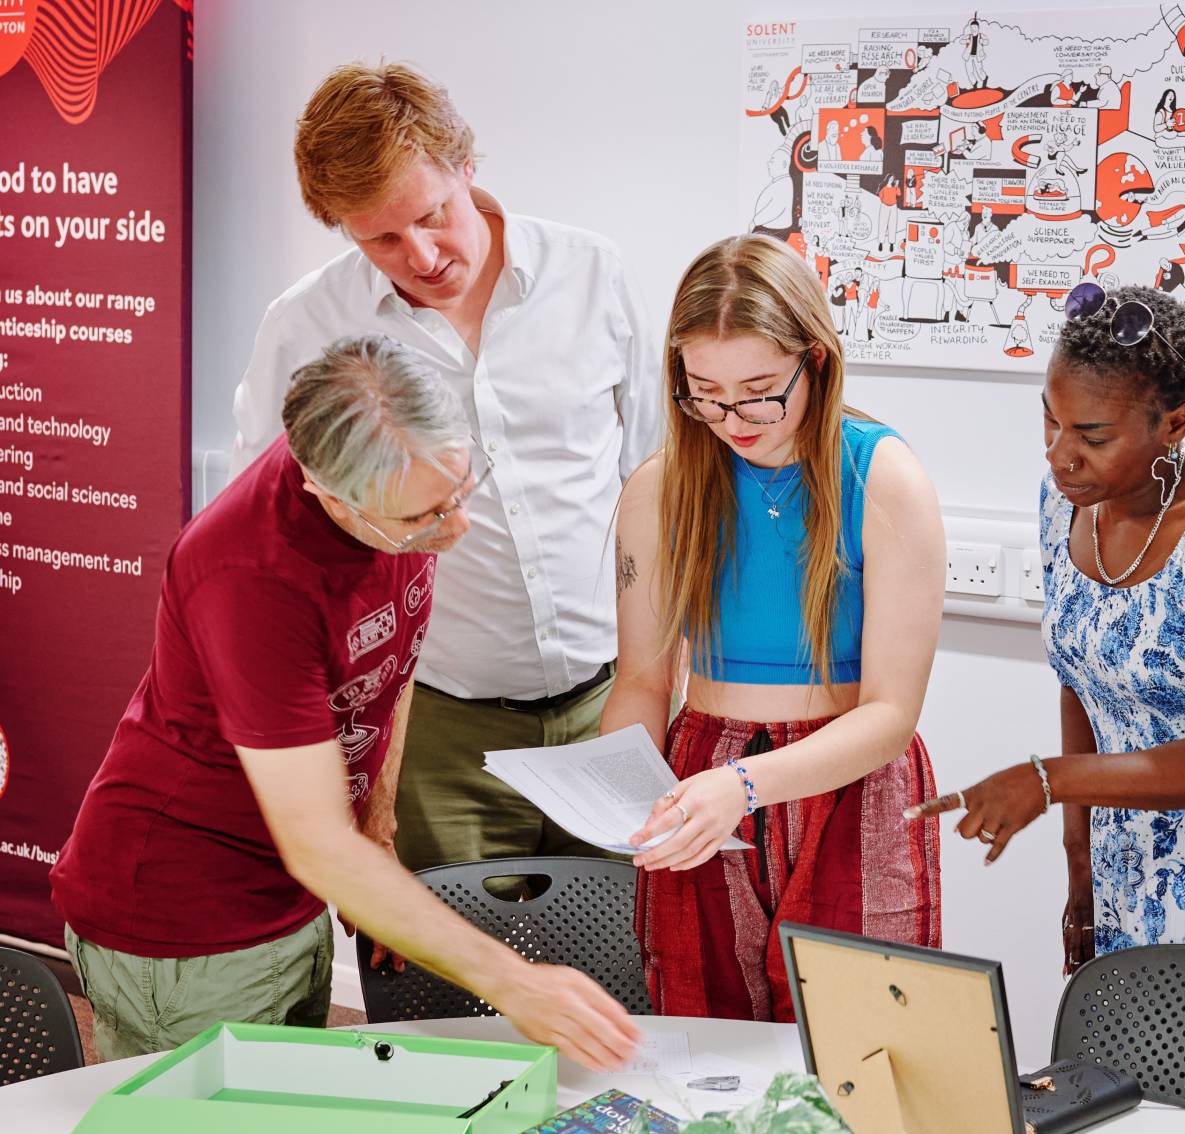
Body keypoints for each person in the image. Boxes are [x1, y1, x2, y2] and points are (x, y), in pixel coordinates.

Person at [54, 336, 638, 1070]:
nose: (454, 529)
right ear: (327, 494)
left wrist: (378, 835)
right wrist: (513, 983)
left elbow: (386, 672)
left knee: (288, 1127)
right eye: (424, 519)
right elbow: (313, 841)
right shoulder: (249, 576)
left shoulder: (395, 483)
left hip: (286, 899)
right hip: (185, 919)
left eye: (461, 490)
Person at [231, 62, 659, 877]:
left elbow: (655, 482)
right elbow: (270, 540)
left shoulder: (594, 275)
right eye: (381, 239)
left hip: (614, 703)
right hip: (432, 729)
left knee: (624, 968)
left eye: (434, 216)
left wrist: (660, 682)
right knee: (446, 987)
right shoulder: (306, 326)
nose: (423, 255)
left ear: (468, 166)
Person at [911, 286, 1185, 987]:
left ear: (1176, 423)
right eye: (1050, 421)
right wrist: (1081, 866)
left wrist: (1047, 782)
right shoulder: (1064, 502)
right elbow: (1079, 685)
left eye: (1092, 436)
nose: (1062, 455)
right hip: (1132, 870)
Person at [604, 235, 946, 1021]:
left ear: (815, 362)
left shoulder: (884, 478)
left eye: (760, 390)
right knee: (702, 1029)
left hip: (847, 780)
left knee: (864, 1038)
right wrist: (618, 785)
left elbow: (891, 715)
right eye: (706, 393)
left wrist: (747, 786)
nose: (733, 419)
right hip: (702, 772)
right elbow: (642, 683)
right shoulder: (660, 490)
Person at [1152, 89, 1185, 175]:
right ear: (1165, 97)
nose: (1171, 97)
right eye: (1169, 95)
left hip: (1171, 134)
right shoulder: (1161, 111)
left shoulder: (1172, 110)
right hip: (1162, 138)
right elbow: (1155, 128)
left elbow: (1176, 124)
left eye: (1173, 95)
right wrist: (1166, 124)